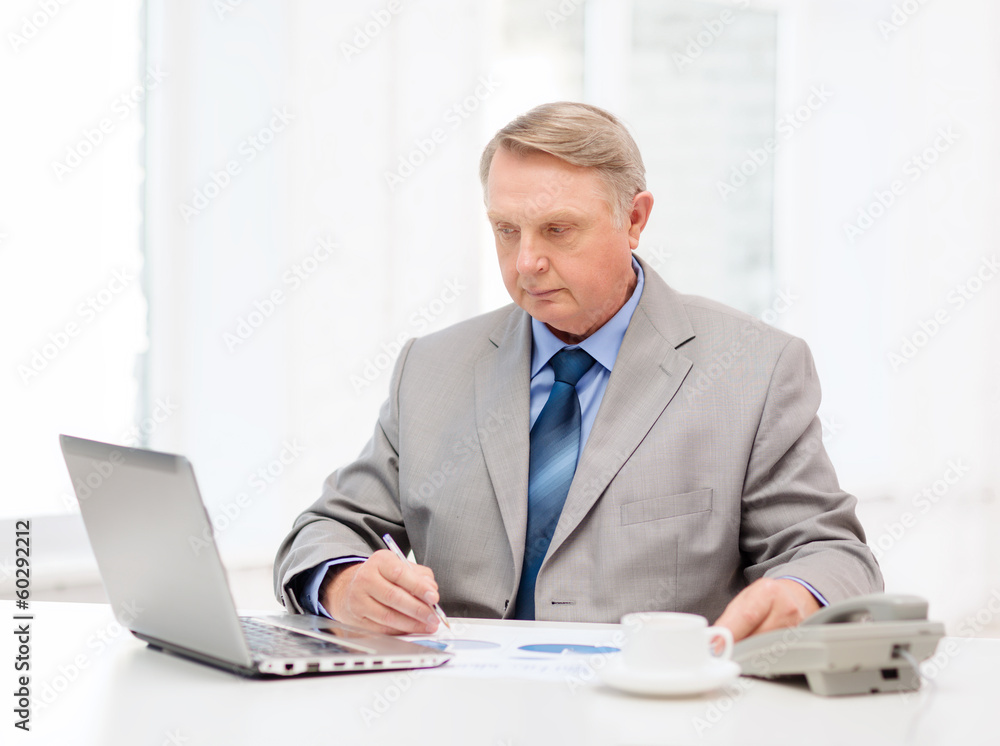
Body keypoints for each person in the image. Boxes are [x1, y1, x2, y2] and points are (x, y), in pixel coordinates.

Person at [274, 101, 882, 641]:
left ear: (635, 220)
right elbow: (328, 528)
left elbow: (831, 552)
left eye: (558, 230)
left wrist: (800, 592)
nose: (527, 262)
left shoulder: (756, 368)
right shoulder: (430, 367)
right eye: (506, 231)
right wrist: (342, 585)